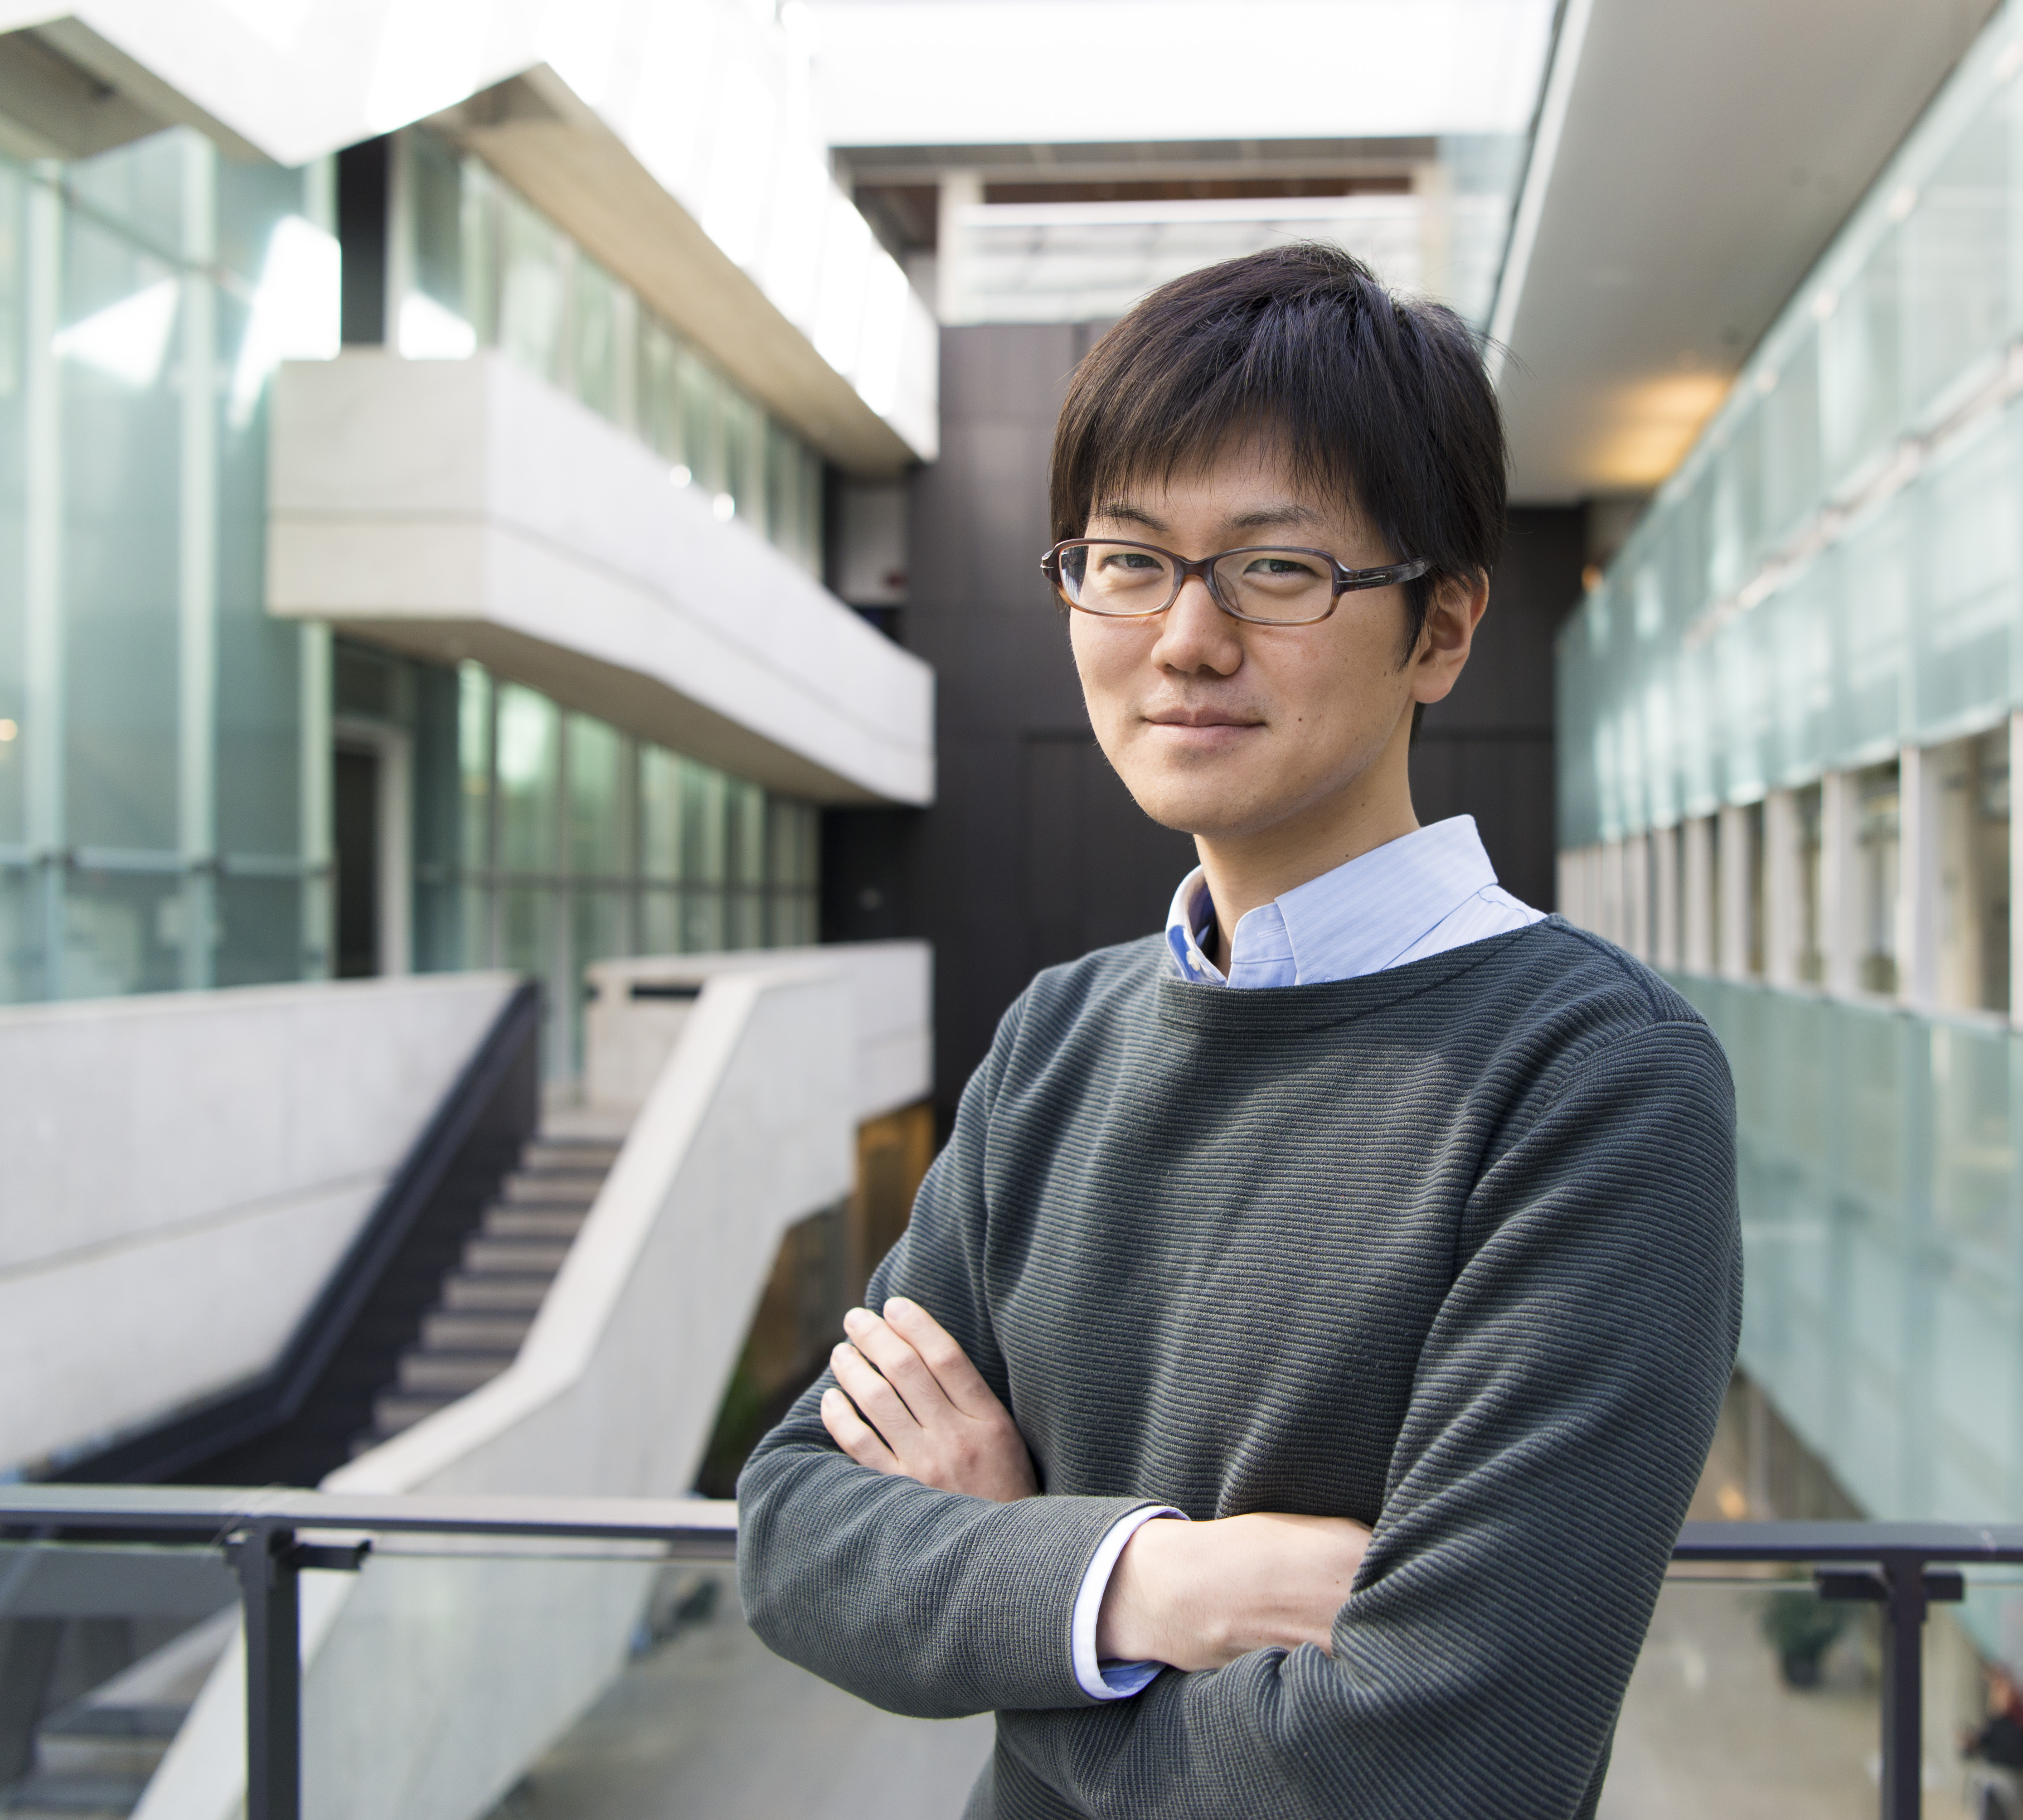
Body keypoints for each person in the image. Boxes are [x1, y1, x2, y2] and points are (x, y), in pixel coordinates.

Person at [737, 243, 1740, 1820]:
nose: (1183, 640)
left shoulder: (1595, 1080)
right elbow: (797, 1532)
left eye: (1275, 571)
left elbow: (1439, 1769)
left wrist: (1016, 1594)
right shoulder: (1058, 1038)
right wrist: (1152, 1590)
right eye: (1126, 561)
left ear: (1443, 628)